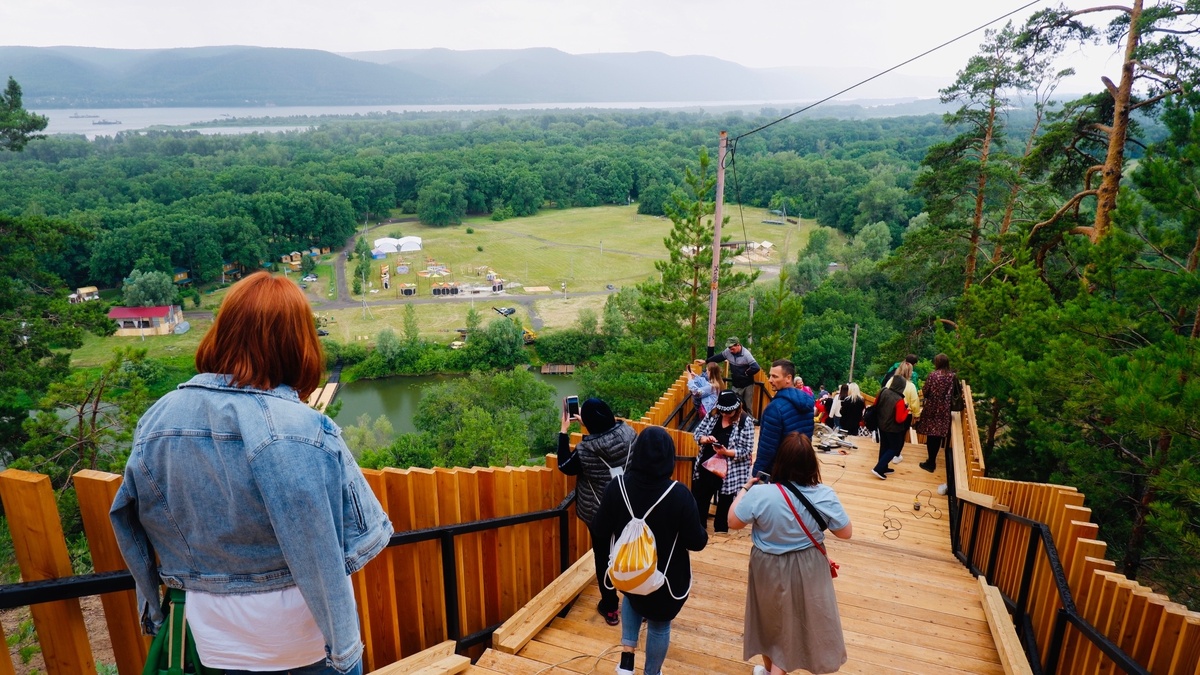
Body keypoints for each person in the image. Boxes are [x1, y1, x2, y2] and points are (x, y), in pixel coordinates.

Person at [109, 272, 392, 674]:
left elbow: (127, 517)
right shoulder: (304, 429)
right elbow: (357, 537)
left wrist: (152, 606)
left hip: (214, 634)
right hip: (304, 636)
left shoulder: (158, 419)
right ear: (298, 344)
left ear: (222, 332)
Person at [729, 432, 852, 675]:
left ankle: (770, 670)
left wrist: (744, 489)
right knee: (795, 625)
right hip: (808, 565)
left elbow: (733, 521)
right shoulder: (825, 495)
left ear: (779, 462)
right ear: (812, 464)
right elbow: (845, 532)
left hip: (767, 566)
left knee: (769, 622)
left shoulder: (760, 494)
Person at [594, 427, 708, 675]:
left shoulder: (617, 487)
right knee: (659, 625)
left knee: (633, 596)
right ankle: (652, 672)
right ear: (670, 457)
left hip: (628, 570)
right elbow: (697, 542)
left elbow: (600, 528)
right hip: (664, 580)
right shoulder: (679, 494)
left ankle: (626, 660)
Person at [556, 397, 636, 626]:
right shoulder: (629, 434)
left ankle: (610, 608)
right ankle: (637, 599)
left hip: (599, 512)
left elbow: (564, 466)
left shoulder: (586, 449)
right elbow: (609, 437)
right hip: (629, 506)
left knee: (603, 558)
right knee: (630, 551)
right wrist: (592, 425)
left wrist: (564, 431)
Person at [692, 391, 755, 533]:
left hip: (730, 471)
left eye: (729, 412)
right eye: (722, 411)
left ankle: (721, 531)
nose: (725, 415)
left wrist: (726, 452)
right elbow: (698, 433)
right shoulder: (713, 415)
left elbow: (746, 450)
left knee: (725, 502)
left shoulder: (745, 422)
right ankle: (699, 530)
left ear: (737, 409)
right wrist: (705, 439)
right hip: (707, 465)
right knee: (701, 499)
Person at [753, 359, 815, 476]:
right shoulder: (808, 403)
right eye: (770, 376)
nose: (770, 380)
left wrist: (757, 473)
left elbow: (767, 448)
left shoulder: (774, 408)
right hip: (802, 467)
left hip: (779, 470)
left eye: (775, 376)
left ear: (788, 378)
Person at [915, 354, 956, 473]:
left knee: (931, 434)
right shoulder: (952, 376)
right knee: (938, 435)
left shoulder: (933, 375)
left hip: (932, 408)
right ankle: (932, 460)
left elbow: (925, 391)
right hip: (945, 409)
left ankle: (931, 462)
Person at [706, 337, 761, 415]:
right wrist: (706, 361)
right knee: (734, 403)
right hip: (736, 384)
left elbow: (756, 367)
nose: (730, 350)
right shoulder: (728, 352)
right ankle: (734, 420)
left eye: (732, 348)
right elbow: (719, 357)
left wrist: (745, 374)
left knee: (748, 404)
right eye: (729, 348)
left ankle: (749, 420)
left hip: (747, 384)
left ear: (738, 345)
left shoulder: (746, 354)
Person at [871, 372, 909, 480]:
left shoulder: (883, 391)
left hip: (881, 424)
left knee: (884, 446)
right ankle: (878, 468)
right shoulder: (899, 399)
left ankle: (883, 467)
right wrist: (906, 410)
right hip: (893, 428)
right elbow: (899, 418)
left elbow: (875, 405)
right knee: (894, 448)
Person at [885, 361, 921, 464]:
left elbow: (885, 392)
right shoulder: (911, 386)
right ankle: (896, 455)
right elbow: (915, 402)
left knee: (890, 432)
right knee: (901, 435)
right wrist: (917, 414)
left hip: (890, 411)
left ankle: (888, 452)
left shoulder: (891, 381)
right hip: (905, 414)